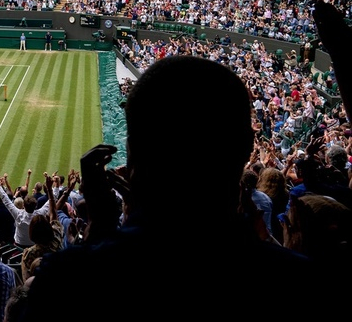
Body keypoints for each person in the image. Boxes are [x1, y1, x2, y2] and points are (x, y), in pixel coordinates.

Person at [22, 55, 311, 316]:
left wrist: (99, 225)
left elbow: (95, 268)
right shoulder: (297, 284)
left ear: (131, 151)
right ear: (247, 148)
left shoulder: (64, 281)